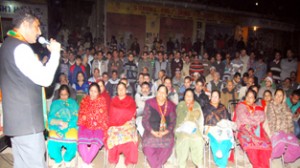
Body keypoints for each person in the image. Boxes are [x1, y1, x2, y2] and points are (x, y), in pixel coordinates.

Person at [0, 9, 61, 168]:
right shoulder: (21, 49)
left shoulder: (7, 44)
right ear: (26, 24)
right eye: (37, 26)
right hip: (28, 124)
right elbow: (45, 79)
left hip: (17, 123)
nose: (39, 31)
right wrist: (54, 54)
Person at [235, 89, 272, 168]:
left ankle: (264, 165)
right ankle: (257, 165)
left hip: (257, 129)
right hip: (244, 129)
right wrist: (254, 119)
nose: (249, 99)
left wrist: (251, 118)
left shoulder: (258, 107)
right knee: (250, 144)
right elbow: (243, 118)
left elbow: (262, 117)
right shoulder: (241, 105)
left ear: (254, 99)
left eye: (251, 97)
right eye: (248, 96)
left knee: (266, 143)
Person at [142, 85, 176, 168]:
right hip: (151, 130)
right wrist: (152, 131)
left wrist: (165, 132)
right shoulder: (150, 103)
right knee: (148, 143)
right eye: (159, 92)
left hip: (165, 131)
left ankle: (155, 165)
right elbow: (145, 120)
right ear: (156, 93)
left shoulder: (171, 106)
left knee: (169, 141)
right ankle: (158, 166)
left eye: (163, 92)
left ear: (167, 95)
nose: (161, 94)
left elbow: (173, 122)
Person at [107, 82, 138, 167]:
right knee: (113, 138)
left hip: (127, 125)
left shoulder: (131, 101)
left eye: (122, 88)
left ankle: (130, 163)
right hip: (115, 126)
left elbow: (132, 114)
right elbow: (111, 114)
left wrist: (125, 122)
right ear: (116, 91)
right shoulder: (113, 101)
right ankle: (113, 162)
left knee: (131, 140)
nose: (120, 90)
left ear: (126, 90)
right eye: (119, 89)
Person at [77, 83, 108, 168]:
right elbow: (81, 114)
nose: (93, 93)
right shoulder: (84, 100)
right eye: (91, 91)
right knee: (81, 143)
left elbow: (102, 116)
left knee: (96, 143)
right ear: (88, 91)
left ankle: (86, 163)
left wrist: (93, 120)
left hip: (98, 126)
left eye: (95, 91)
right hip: (85, 125)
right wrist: (87, 120)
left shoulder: (102, 101)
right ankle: (88, 163)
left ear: (98, 92)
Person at [47, 85, 79, 168]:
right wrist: (59, 122)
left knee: (72, 141)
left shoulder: (73, 103)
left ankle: (67, 159)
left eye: (66, 94)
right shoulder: (55, 103)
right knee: (52, 142)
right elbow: (50, 117)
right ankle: (58, 160)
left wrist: (68, 124)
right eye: (62, 95)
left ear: (69, 94)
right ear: (59, 94)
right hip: (57, 126)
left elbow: (77, 116)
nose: (64, 97)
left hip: (70, 126)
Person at [266, 89, 300, 163]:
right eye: (277, 95)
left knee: (296, 146)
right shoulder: (271, 105)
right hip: (277, 129)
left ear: (283, 97)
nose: (278, 97)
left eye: (280, 96)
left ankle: (286, 159)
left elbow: (289, 118)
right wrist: (276, 131)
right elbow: (272, 119)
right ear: (274, 96)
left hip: (286, 129)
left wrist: (290, 130)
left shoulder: (285, 106)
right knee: (280, 144)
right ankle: (272, 157)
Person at [203, 90, 233, 167]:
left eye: (216, 96)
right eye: (213, 96)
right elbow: (204, 120)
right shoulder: (206, 107)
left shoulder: (222, 107)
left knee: (228, 135)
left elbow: (228, 119)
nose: (214, 98)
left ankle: (221, 151)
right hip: (210, 128)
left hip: (223, 128)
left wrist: (223, 124)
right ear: (210, 97)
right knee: (214, 140)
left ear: (219, 98)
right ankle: (222, 163)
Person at [175, 88, 204, 168]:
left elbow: (197, 116)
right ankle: (182, 164)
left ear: (193, 97)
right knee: (184, 138)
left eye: (190, 96)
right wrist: (190, 114)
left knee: (198, 139)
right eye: (187, 95)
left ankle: (198, 163)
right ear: (184, 97)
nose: (188, 97)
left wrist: (190, 115)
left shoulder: (196, 104)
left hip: (193, 127)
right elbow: (181, 116)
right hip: (181, 127)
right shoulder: (181, 104)